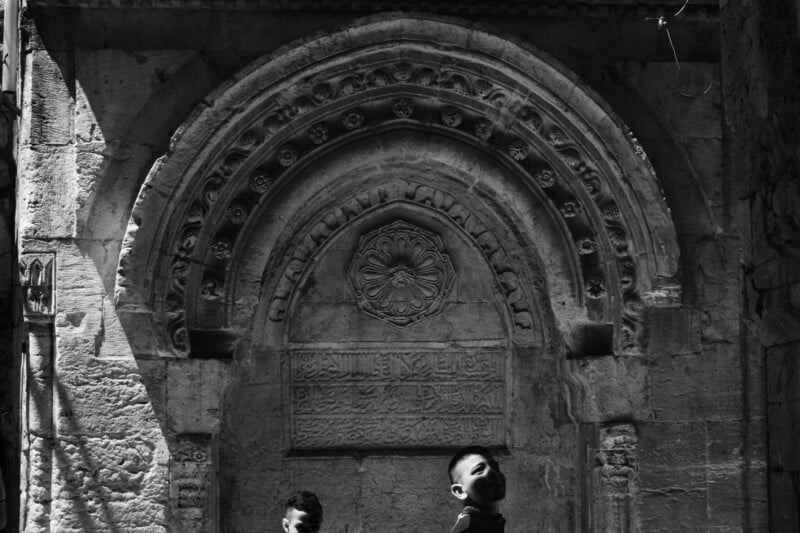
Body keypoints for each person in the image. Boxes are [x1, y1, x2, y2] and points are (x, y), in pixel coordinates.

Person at [448, 446, 506, 533]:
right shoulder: (469, 528)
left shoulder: (490, 522)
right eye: (479, 470)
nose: (492, 471)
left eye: (495, 467)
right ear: (460, 491)